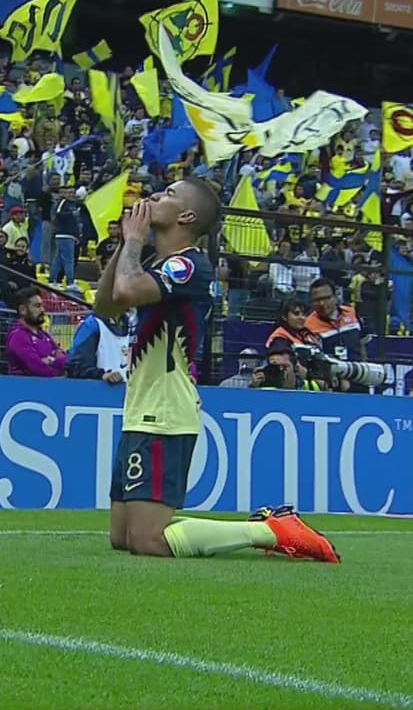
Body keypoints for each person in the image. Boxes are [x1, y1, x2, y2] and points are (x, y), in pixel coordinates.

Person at [91, 178, 339, 562]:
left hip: (165, 410)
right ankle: (265, 528)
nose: (155, 196)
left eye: (169, 194)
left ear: (187, 216)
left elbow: (125, 291)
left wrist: (136, 241)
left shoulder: (190, 265)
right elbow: (105, 307)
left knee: (147, 541)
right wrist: (126, 244)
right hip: (141, 407)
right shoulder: (157, 265)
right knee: (122, 536)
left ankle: (270, 530)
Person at [6, 288, 66, 378]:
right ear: (23, 310)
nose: (42, 310)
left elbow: (65, 360)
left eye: (42, 306)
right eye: (37, 306)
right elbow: (39, 371)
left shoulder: (43, 334)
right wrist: (56, 363)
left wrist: (51, 361)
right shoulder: (18, 336)